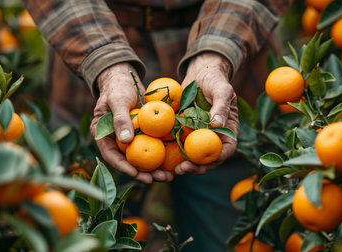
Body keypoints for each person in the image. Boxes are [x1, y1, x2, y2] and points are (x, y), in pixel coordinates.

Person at [22, 0, 291, 251]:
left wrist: (216, 53)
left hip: (226, 80)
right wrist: (106, 63)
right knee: (82, 232)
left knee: (233, 239)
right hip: (88, 74)